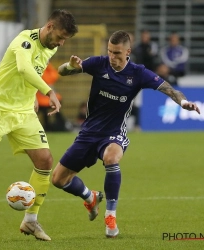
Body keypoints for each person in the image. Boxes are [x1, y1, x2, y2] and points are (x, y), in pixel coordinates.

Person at [51, 30, 200, 238]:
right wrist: (70, 67)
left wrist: (184, 102)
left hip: (114, 132)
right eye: (110, 52)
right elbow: (62, 71)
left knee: (111, 158)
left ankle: (110, 216)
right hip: (88, 133)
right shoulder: (99, 63)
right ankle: (90, 197)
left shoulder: (138, 72)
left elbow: (168, 88)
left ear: (128, 51)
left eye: (118, 53)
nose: (113, 57)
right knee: (58, 180)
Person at [0, 9, 78, 242]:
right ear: (49, 26)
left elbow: (32, 72)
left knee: (45, 161)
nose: (61, 42)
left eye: (64, 40)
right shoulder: (24, 41)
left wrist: (30, 97)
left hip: (23, 112)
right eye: (60, 36)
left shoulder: (52, 47)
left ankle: (31, 220)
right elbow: (23, 68)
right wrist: (47, 91)